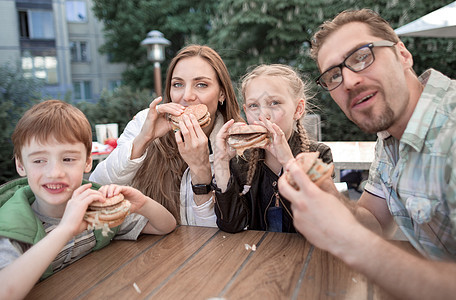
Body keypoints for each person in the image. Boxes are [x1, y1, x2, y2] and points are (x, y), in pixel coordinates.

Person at [278, 9, 456, 299]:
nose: (348, 82)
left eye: (362, 57)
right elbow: (374, 222)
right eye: (334, 75)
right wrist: (328, 195)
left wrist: (351, 241)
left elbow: (363, 238)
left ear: (403, 55)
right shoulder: (391, 137)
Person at [0, 100, 176, 299]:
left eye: (68, 159)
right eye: (39, 160)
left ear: (87, 162)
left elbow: (165, 226)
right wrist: (65, 230)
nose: (55, 172)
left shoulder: (96, 208)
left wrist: (143, 203)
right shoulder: (13, 228)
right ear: (21, 165)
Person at [90, 45, 242, 227]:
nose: (187, 96)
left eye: (201, 85)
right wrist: (143, 140)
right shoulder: (144, 122)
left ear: (222, 93)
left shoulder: (238, 142)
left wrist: (201, 170)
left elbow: (223, 232)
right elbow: (97, 187)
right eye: (177, 84)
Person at [213, 64, 334, 233]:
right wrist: (221, 162)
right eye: (254, 106)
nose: (263, 115)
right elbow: (231, 225)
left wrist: (288, 162)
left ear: (298, 109)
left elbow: (323, 225)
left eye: (274, 103)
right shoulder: (241, 160)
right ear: (246, 111)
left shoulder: (318, 155)